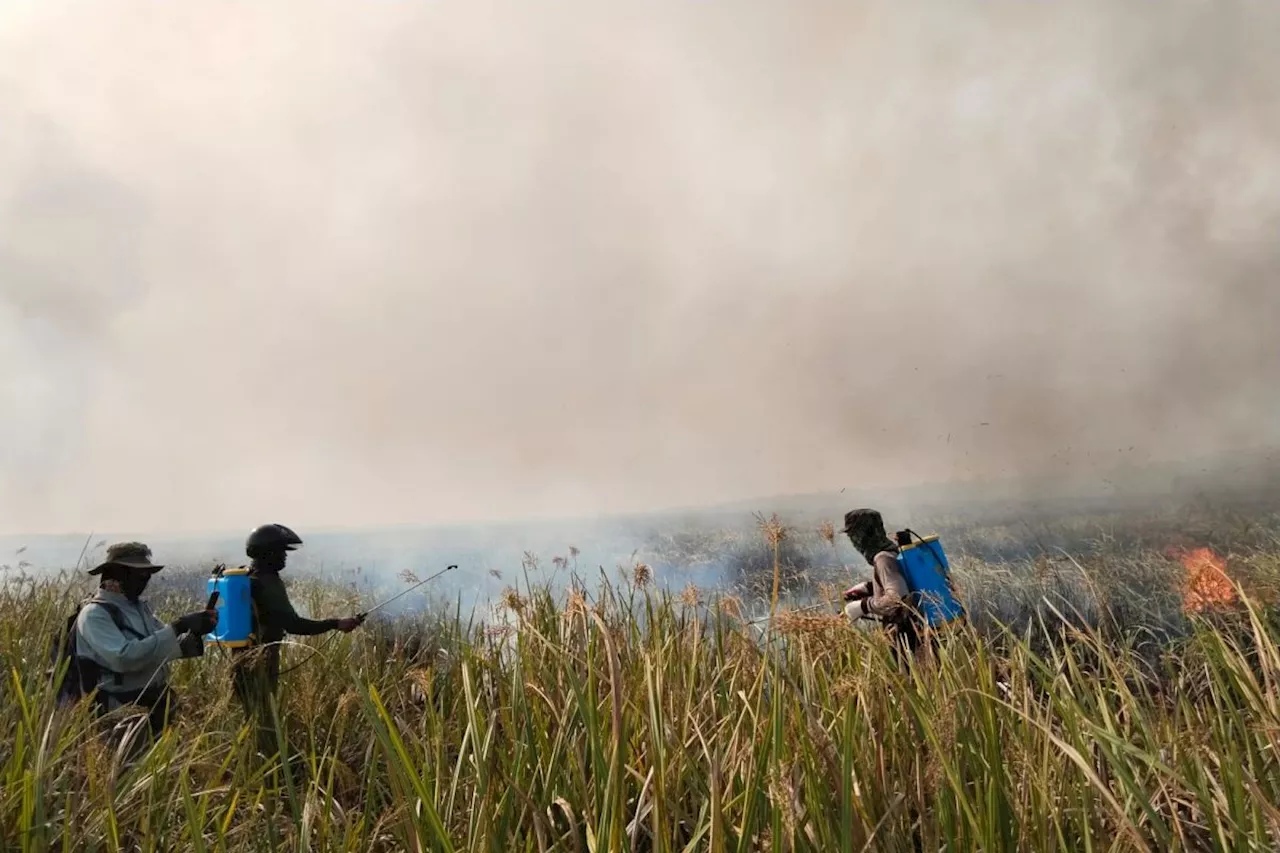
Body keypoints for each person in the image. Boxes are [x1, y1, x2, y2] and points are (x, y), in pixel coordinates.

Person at [231, 523, 364, 762]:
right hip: (260, 661)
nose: (284, 557)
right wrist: (336, 623)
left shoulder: (248, 577)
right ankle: (264, 770)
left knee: (251, 715)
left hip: (241, 658)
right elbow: (295, 625)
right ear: (268, 553)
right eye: (281, 551)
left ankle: (248, 762)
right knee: (263, 720)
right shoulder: (268, 582)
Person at [72, 542, 218, 753]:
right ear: (115, 573)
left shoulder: (139, 608)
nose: (144, 580)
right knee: (129, 775)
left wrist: (196, 631)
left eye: (147, 574)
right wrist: (179, 626)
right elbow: (124, 658)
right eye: (138, 574)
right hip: (121, 715)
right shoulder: (95, 614)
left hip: (156, 705)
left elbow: (156, 647)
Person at [839, 509, 924, 667]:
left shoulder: (882, 558)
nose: (853, 541)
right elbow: (903, 580)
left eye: (854, 535)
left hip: (906, 637)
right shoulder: (892, 550)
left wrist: (863, 606)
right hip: (917, 631)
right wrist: (869, 588)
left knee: (909, 682)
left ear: (865, 533)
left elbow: (896, 598)